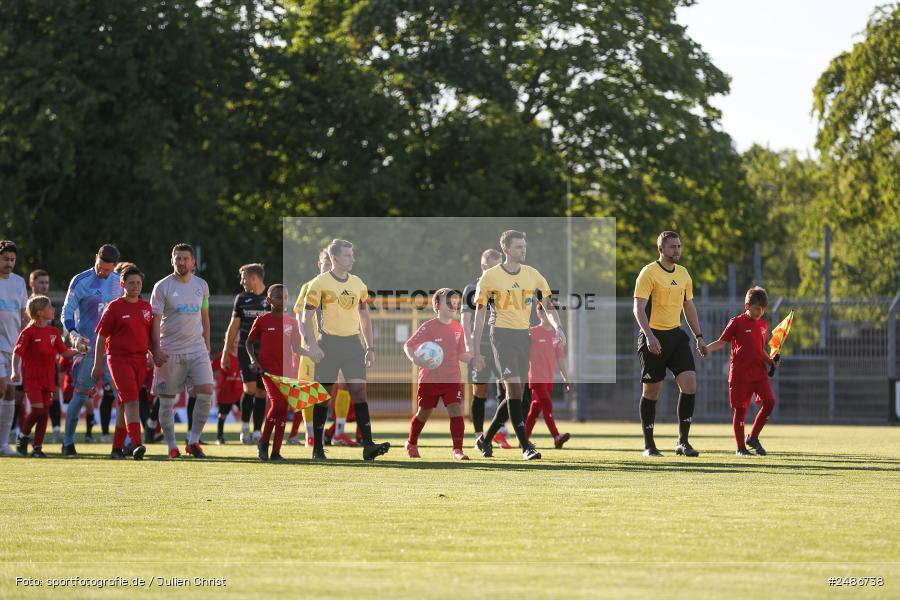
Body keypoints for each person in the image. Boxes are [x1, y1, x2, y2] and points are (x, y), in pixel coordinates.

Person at [471, 230, 566, 460]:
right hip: (501, 336)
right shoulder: (490, 277)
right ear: (505, 249)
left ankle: (486, 439)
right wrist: (474, 350)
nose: (523, 250)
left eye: (524, 246)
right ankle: (526, 446)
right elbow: (480, 315)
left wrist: (558, 327)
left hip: (524, 337)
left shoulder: (532, 274)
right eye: (518, 247)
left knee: (518, 394)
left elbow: (548, 305)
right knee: (513, 389)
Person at [301, 238, 390, 461]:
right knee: (324, 396)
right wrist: (312, 346)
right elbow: (305, 316)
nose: (352, 259)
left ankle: (368, 446)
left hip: (353, 345)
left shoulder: (358, 283)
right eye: (348, 255)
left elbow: (364, 316)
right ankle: (318, 449)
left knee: (359, 392)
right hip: (328, 345)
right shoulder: (319, 283)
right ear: (334, 258)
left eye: (352, 254)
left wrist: (370, 347)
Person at [632, 231, 707, 457]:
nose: (677, 250)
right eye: (673, 246)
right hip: (653, 336)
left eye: (679, 246)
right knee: (652, 391)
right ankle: (649, 445)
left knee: (690, 384)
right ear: (661, 249)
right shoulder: (648, 273)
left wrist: (699, 336)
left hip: (676, 336)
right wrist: (649, 336)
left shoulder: (684, 274)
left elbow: (689, 307)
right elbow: (638, 308)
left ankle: (682, 442)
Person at [150, 244, 214, 459]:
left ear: (193, 262)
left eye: (185, 258)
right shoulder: (162, 287)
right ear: (172, 261)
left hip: (197, 349)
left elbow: (205, 315)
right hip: (170, 351)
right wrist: (156, 350)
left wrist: (206, 342)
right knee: (167, 400)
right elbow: (154, 321)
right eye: (177, 258)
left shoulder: (201, 286)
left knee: (206, 392)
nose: (181, 262)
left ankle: (193, 441)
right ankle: (171, 446)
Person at [61, 244, 121, 456]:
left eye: (107, 270)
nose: (102, 272)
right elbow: (66, 312)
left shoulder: (118, 282)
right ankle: (68, 442)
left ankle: (124, 444)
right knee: (80, 397)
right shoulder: (81, 280)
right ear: (96, 257)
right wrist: (74, 335)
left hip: (113, 351)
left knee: (122, 396)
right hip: (89, 348)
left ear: (114, 267)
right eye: (99, 267)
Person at [704, 286, 778, 456]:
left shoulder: (763, 324)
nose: (760, 312)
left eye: (763, 309)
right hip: (740, 374)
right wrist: (707, 349)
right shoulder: (736, 322)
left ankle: (753, 437)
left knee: (770, 402)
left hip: (759, 372)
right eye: (757, 308)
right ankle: (740, 448)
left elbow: (759, 350)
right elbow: (722, 342)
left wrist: (771, 362)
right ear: (747, 306)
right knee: (740, 409)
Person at [93, 266, 155, 460]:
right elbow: (101, 337)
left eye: (138, 283)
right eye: (131, 283)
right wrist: (98, 364)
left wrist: (153, 354)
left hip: (139, 360)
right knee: (132, 400)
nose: (135, 286)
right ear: (122, 285)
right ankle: (136, 443)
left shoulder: (146, 307)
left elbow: (148, 335)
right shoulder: (114, 307)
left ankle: (116, 448)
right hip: (119, 359)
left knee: (124, 404)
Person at [403, 289, 472, 460]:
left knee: (456, 409)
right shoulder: (428, 327)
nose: (453, 305)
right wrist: (415, 359)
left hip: (451, 377)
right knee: (424, 412)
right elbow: (408, 345)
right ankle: (411, 443)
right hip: (430, 378)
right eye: (448, 302)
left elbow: (461, 354)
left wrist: (474, 358)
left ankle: (458, 450)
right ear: (437, 306)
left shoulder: (458, 328)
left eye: (454, 302)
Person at [12, 296, 83, 457]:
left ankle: (37, 448)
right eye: (50, 307)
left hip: (48, 378)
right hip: (32, 379)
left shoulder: (53, 332)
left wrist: (80, 350)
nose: (53, 309)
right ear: (39, 312)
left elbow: (64, 352)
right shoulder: (28, 332)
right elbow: (17, 353)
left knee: (44, 412)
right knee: (38, 410)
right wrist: (15, 372)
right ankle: (23, 436)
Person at [247, 284, 308, 461]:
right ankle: (264, 443)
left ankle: (276, 452)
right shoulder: (262, 320)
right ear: (269, 300)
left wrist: (311, 352)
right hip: (267, 371)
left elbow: (296, 347)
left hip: (287, 372)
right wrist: (254, 361)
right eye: (278, 296)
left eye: (286, 297)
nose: (283, 300)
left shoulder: (292, 322)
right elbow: (249, 343)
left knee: (283, 409)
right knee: (278, 405)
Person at [460, 249, 513, 449]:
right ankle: (479, 436)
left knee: (508, 389)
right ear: (484, 266)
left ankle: (499, 431)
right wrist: (471, 349)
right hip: (479, 347)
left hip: (500, 346)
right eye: (494, 266)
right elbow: (465, 320)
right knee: (480, 392)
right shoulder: (472, 288)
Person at [221, 263, 268, 445]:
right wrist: (225, 351)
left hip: (265, 351)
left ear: (254, 278)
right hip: (245, 350)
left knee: (262, 393)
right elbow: (233, 327)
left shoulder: (271, 298)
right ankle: (245, 427)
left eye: (244, 278)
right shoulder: (241, 298)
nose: (242, 282)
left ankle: (257, 431)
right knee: (249, 389)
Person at [525, 303, 572, 448]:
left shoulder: (556, 335)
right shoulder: (531, 332)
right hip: (536, 378)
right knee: (547, 404)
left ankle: (523, 439)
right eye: (543, 311)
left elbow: (560, 360)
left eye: (550, 311)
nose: (546, 314)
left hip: (548, 379)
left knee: (534, 410)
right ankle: (556, 436)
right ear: (538, 313)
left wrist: (566, 378)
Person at [27, 269, 65, 443]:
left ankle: (54, 429)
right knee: (25, 401)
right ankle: (19, 433)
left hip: (49, 366)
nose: (45, 286)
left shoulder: (50, 314)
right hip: (31, 368)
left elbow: (60, 343)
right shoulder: (29, 311)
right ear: (32, 284)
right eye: (41, 282)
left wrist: (80, 351)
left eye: (47, 283)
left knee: (50, 401)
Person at [0, 241, 28, 456]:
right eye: (5, 259)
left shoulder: (18, 283)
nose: (9, 263)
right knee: (1, 388)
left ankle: (2, 443)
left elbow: (23, 315)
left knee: (10, 392)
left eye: (12, 260)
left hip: (13, 345)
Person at [212, 338, 243, 444]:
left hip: (240, 391)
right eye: (232, 339)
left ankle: (246, 435)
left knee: (247, 411)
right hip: (226, 391)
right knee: (223, 414)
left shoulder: (243, 355)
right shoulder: (223, 356)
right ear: (226, 341)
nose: (235, 342)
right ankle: (219, 437)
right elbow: (211, 367)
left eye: (237, 340)